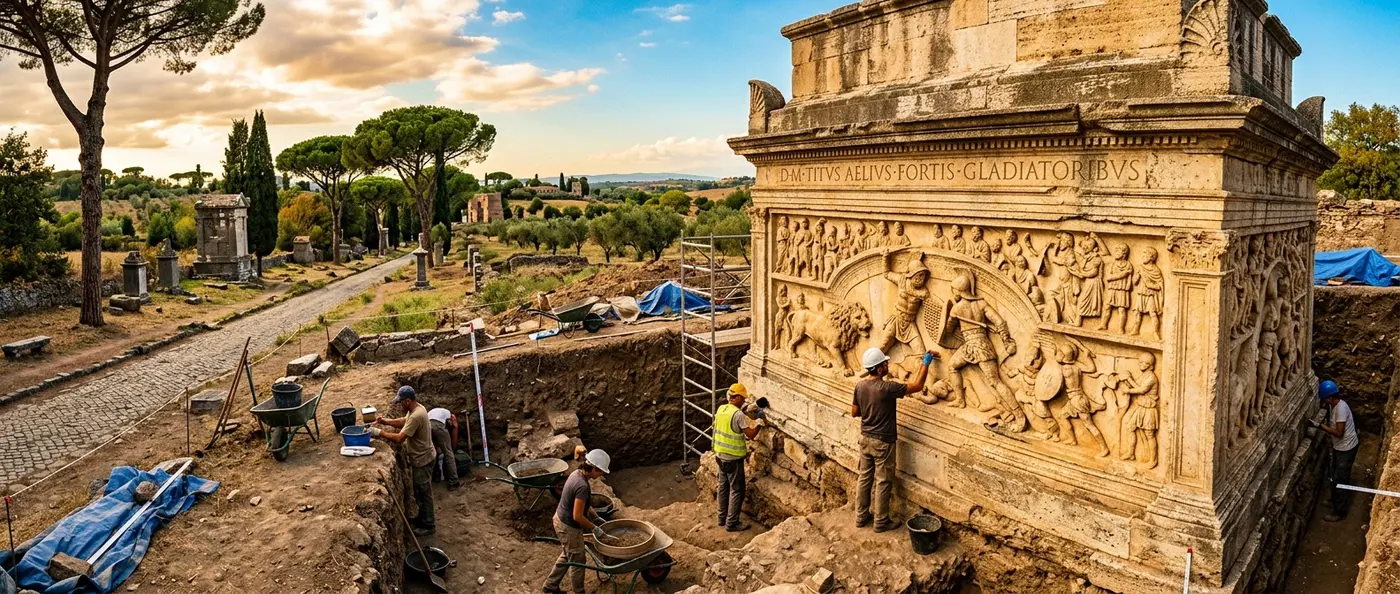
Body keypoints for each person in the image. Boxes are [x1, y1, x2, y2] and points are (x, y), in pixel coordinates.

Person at [851, 347, 933, 532]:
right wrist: (925, 362)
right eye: (885, 364)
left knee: (864, 478)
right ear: (879, 369)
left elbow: (855, 412)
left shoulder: (860, 386)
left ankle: (860, 517)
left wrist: (870, 408)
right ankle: (880, 522)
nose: (888, 365)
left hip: (865, 438)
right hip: (883, 441)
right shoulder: (887, 388)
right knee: (883, 480)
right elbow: (917, 386)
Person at [370, 385, 437, 536]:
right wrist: (386, 422)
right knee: (419, 491)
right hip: (422, 457)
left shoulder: (416, 415)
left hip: (422, 460)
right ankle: (422, 518)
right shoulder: (416, 409)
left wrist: (379, 432)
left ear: (408, 400)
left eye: (401, 402)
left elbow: (400, 438)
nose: (400, 405)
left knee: (424, 493)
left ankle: (429, 525)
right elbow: (403, 422)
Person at [543, 449, 612, 594]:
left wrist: (595, 516)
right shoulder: (582, 486)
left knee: (568, 554)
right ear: (593, 468)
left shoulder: (577, 474)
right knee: (578, 562)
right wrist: (595, 528)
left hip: (560, 519)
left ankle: (550, 586)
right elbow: (578, 516)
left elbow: (584, 504)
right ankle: (579, 592)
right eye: (600, 471)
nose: (601, 475)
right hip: (568, 526)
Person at [714, 383, 761, 532]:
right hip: (733, 459)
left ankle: (721, 519)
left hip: (720, 456)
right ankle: (732, 523)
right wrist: (759, 422)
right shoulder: (738, 414)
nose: (744, 402)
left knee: (723, 487)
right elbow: (751, 435)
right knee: (736, 489)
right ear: (738, 398)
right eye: (743, 399)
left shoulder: (722, 409)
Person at [1317, 380, 1360, 522]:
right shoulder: (1334, 406)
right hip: (1340, 447)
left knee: (1340, 479)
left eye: (1324, 399)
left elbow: (1339, 432)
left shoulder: (1340, 409)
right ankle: (1334, 499)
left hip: (1346, 448)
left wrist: (1321, 426)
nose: (1324, 401)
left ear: (1330, 398)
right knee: (1334, 474)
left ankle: (1339, 512)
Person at [427, 407, 461, 490]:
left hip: (426, 425)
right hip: (437, 426)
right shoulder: (451, 416)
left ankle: (436, 476)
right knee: (448, 453)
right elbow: (454, 427)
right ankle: (454, 481)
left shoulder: (434, 412)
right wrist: (452, 449)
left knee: (432, 451)